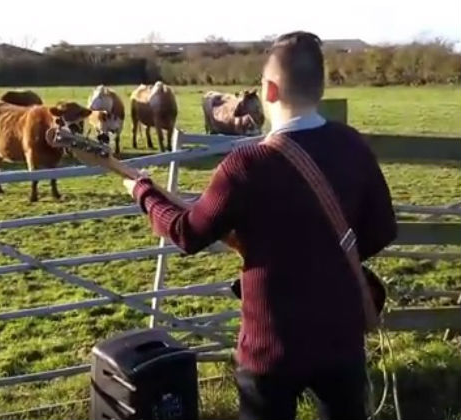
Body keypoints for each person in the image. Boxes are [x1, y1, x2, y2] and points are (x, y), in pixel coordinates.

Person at [123, 31, 397, 420]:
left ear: (268, 90)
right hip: (341, 336)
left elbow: (187, 233)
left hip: (271, 346)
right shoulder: (352, 145)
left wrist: (143, 191)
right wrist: (326, 258)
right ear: (320, 86)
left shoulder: (246, 165)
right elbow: (383, 229)